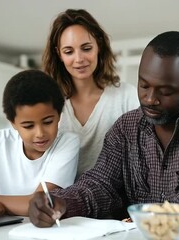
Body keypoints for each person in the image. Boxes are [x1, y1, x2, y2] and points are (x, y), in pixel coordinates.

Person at [28, 31, 179, 227]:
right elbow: (101, 185)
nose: (149, 99)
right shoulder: (126, 128)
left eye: (165, 91)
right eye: (143, 86)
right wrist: (61, 203)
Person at [0, 70, 80, 217]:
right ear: (13, 123)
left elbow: (40, 204)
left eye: (48, 122)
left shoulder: (68, 143)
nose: (40, 133)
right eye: (28, 126)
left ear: (59, 116)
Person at [42, 9, 139, 178]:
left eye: (86, 48)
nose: (79, 59)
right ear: (59, 54)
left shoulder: (127, 97)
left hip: (117, 200)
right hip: (62, 199)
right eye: (69, 51)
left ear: (99, 45)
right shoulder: (48, 103)